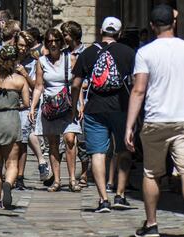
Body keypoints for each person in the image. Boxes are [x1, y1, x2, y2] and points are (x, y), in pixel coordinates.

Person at [124, 5, 184, 236]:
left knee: (152, 173)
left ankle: (151, 224)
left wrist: (129, 125)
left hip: (156, 120)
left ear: (152, 26)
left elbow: (139, 90)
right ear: (174, 23)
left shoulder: (145, 52)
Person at [71, 16, 135, 212]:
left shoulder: (88, 53)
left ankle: (103, 199)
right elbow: (137, 82)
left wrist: (75, 106)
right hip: (122, 107)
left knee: (97, 153)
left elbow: (75, 84)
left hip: (95, 108)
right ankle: (120, 195)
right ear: (120, 33)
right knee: (123, 150)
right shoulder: (129, 53)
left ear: (101, 31)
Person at [29, 28, 82, 192]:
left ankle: (72, 179)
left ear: (61, 42)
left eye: (56, 40)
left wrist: (79, 105)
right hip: (50, 106)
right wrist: (33, 108)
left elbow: (76, 84)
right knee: (52, 143)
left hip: (67, 104)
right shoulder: (42, 62)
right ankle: (57, 180)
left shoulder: (70, 59)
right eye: (49, 41)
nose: (53, 44)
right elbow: (38, 86)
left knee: (70, 139)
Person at [0, 45, 30, 209]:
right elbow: (26, 104)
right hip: (11, 121)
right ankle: (8, 183)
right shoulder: (19, 80)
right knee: (12, 162)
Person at [14, 31, 50, 190]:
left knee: (22, 141)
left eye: (26, 46)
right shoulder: (8, 58)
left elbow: (36, 86)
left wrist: (23, 74)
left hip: (25, 104)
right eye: (20, 45)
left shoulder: (34, 61)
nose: (23, 49)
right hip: (9, 103)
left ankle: (19, 177)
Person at [60, 20, 89, 188]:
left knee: (83, 140)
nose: (64, 37)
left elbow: (91, 79)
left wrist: (79, 85)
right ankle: (71, 176)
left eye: (66, 34)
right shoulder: (63, 54)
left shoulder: (86, 53)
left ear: (74, 35)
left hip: (84, 100)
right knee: (69, 139)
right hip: (67, 100)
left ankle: (84, 172)